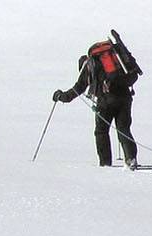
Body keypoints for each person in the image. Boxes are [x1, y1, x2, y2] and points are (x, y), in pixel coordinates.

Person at [54, 39, 141, 169]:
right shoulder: (115, 57)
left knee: (101, 131)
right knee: (123, 129)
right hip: (125, 97)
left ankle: (105, 163)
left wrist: (62, 97)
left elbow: (79, 87)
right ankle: (131, 158)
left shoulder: (89, 64)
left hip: (105, 101)